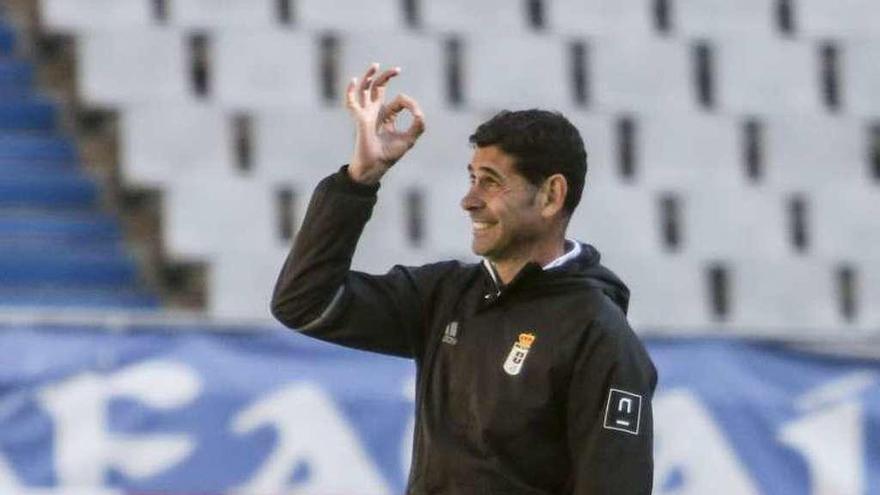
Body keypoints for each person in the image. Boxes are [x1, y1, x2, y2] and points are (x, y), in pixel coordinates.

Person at [271, 63, 657, 494]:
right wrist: (359, 179)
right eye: (472, 179)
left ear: (551, 196)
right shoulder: (443, 296)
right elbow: (302, 303)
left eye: (490, 183)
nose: (469, 200)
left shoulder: (599, 334)